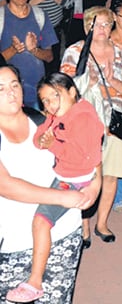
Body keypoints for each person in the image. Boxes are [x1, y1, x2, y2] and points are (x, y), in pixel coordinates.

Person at [0, 65, 100, 303]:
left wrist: (94, 185)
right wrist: (62, 197)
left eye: (14, 85)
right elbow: (5, 185)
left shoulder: (44, 120)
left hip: (63, 233)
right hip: (14, 242)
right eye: (0, 88)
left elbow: (89, 150)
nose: (10, 92)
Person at [60, 6, 122, 246]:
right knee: (87, 176)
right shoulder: (75, 52)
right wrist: (87, 81)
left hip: (116, 121)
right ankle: (84, 225)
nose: (102, 29)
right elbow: (62, 92)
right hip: (85, 124)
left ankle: (102, 223)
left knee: (111, 175)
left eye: (106, 24)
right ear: (87, 27)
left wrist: (113, 82)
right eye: (97, 24)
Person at [1, 0, 57, 109]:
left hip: (36, 92)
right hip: (7, 94)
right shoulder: (1, 18)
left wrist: (34, 50)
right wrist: (13, 50)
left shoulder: (40, 15)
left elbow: (50, 57)